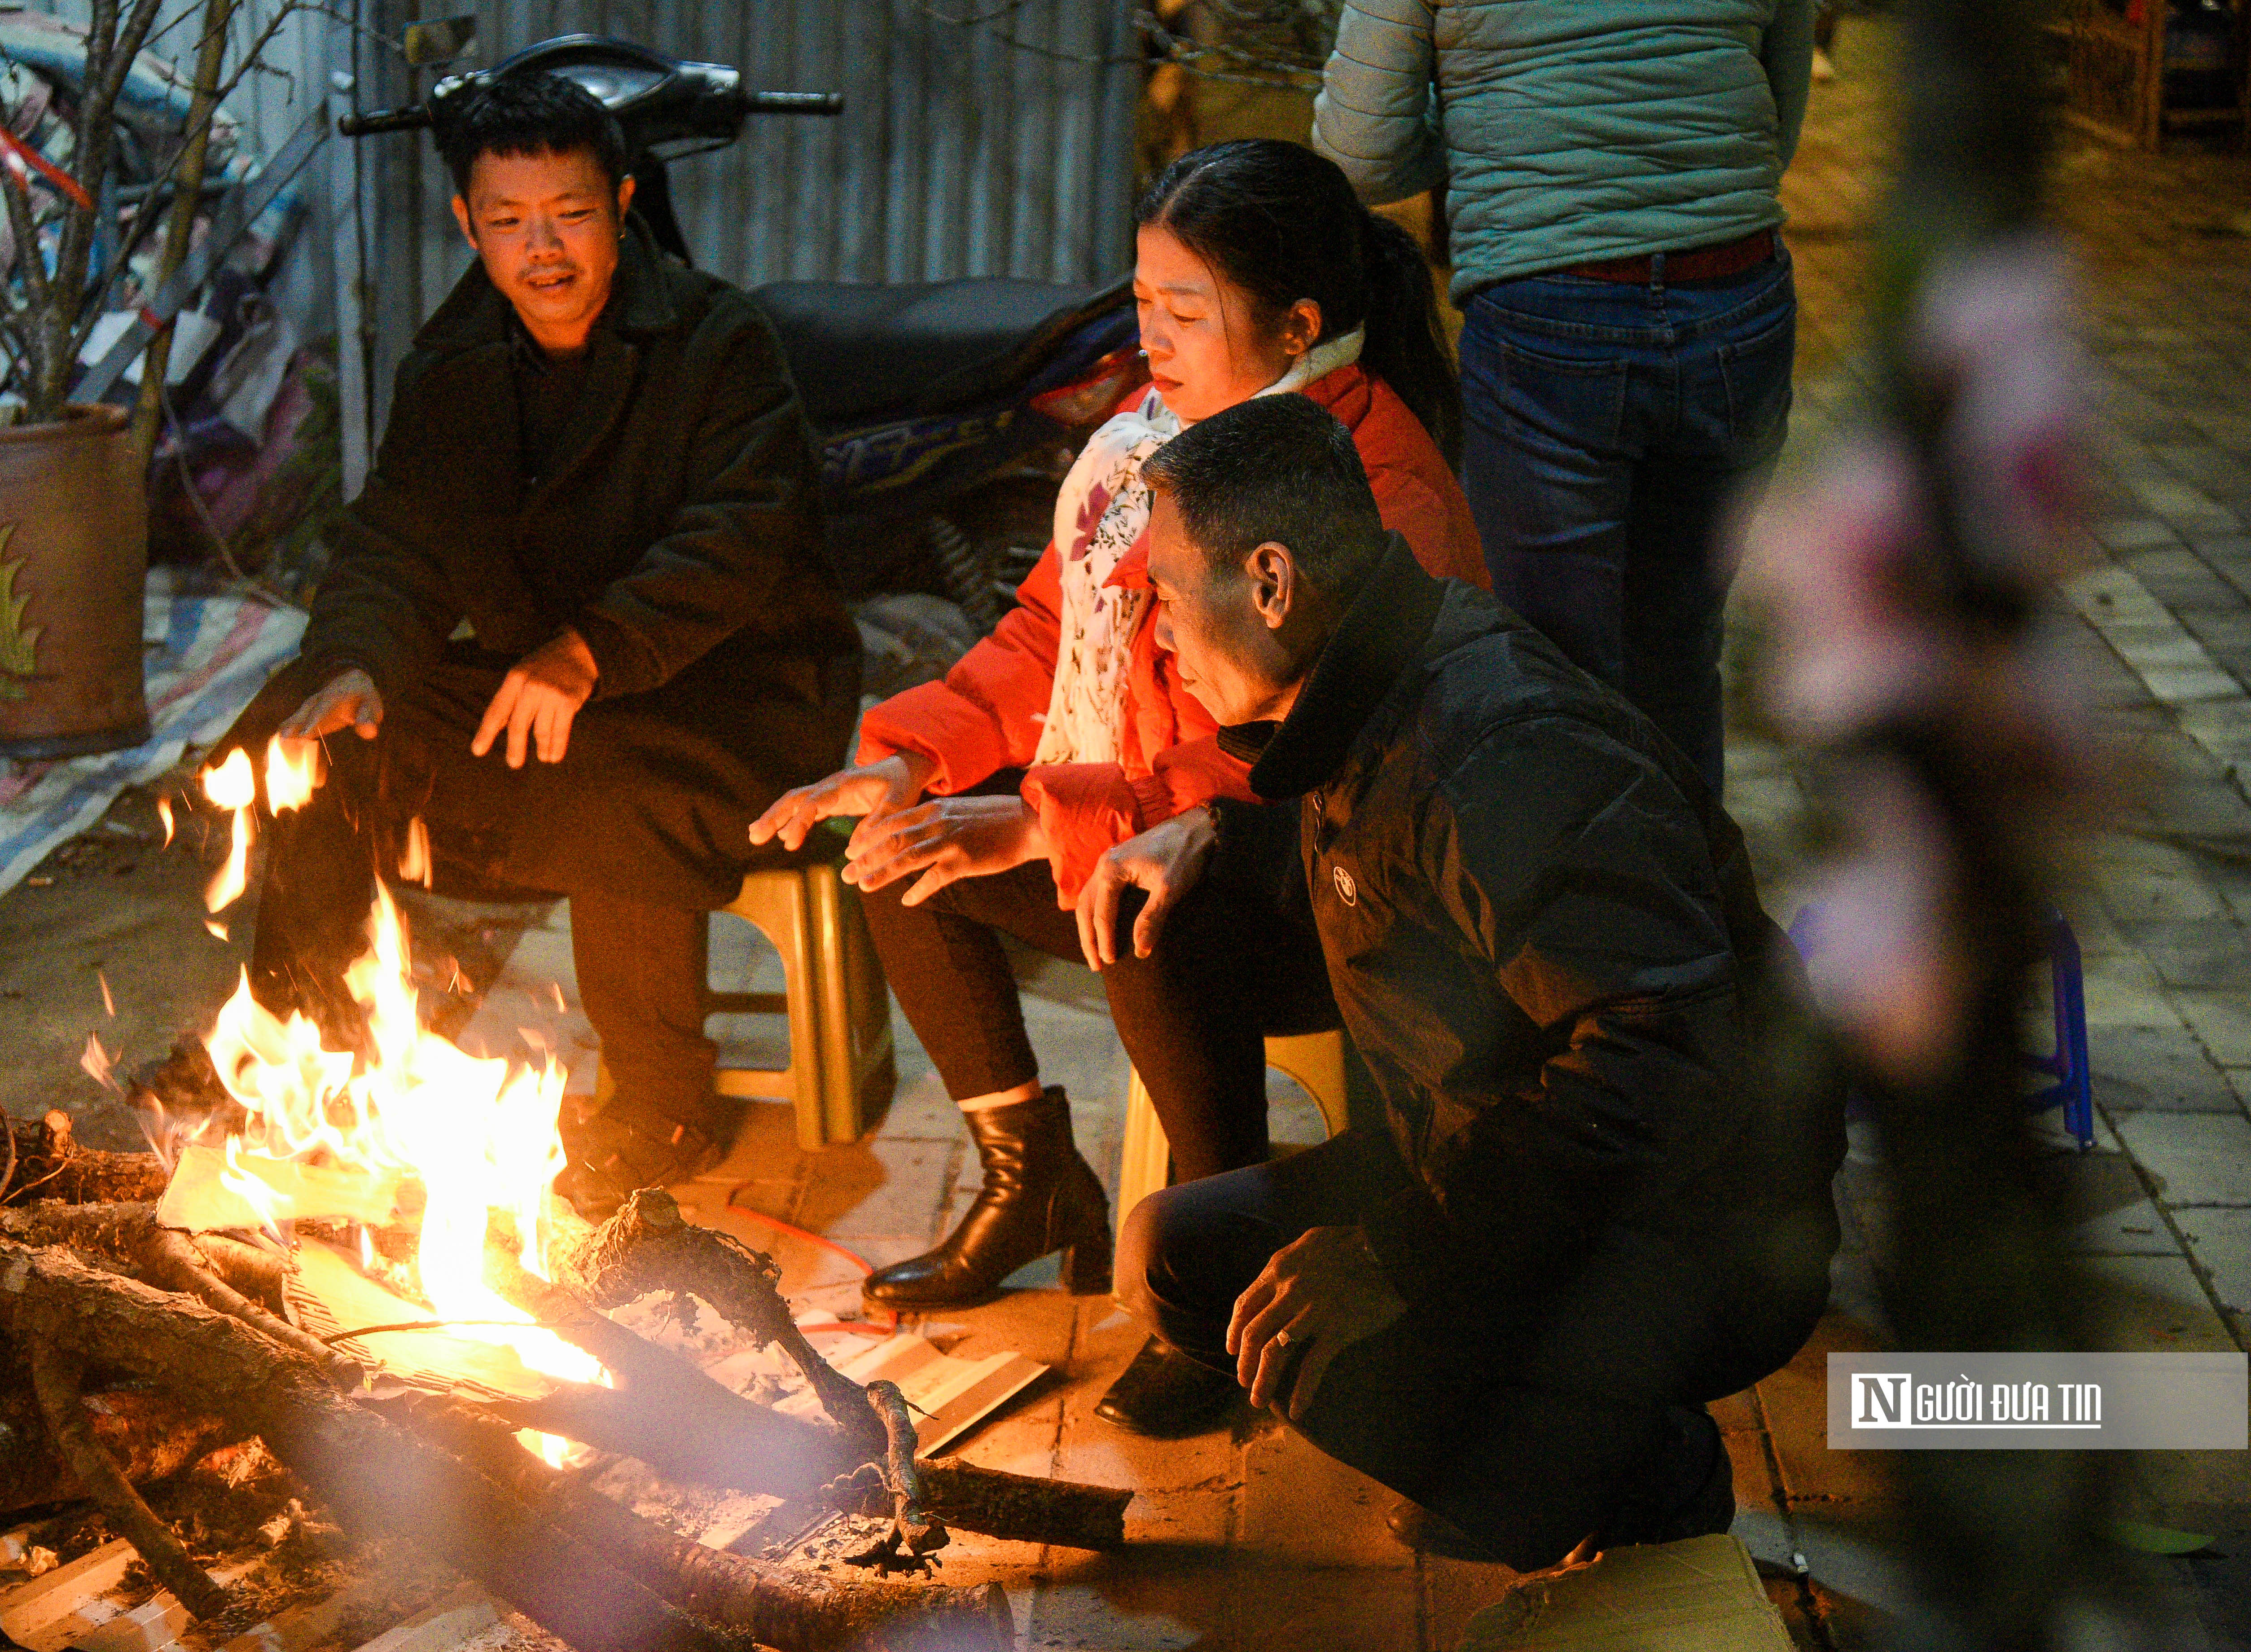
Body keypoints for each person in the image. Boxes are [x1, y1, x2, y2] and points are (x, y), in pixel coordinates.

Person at [750, 138, 1488, 1436]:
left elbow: (1317, 749)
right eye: (1142, 302)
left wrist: (1052, 817)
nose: (1150, 338)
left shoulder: (1372, 483)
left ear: (1298, 325)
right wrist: (907, 756)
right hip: (1165, 825)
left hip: (1343, 894)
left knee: (1138, 898)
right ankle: (1027, 1179)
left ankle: (1221, 1286)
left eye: (1185, 312)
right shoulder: (1152, 443)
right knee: (904, 846)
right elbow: (1046, 634)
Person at [1088, 394, 1843, 1568]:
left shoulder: (1497, 746)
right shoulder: (1373, 698)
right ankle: (1540, 1450)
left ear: (1272, 584)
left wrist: (1397, 1251)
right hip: (1497, 1156)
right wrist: (1219, 844)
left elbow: (1662, 1054)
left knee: (1314, 1337)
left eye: (1172, 590)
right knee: (1184, 1256)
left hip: (1699, 1222)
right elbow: (1408, 894)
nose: (1157, 626)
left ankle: (1647, 1476)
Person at [223, 71, 859, 1207]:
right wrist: (358, 663)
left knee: (612, 782)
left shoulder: (720, 341)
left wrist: (593, 650)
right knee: (318, 728)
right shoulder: (456, 364)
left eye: (569, 214)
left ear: (621, 203)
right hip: (550, 689)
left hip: (737, 698)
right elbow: (399, 541)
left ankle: (664, 1101)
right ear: (469, 225)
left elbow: (739, 537)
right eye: (508, 222)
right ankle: (297, 1053)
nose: (542, 250)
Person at [1312, 0, 1815, 795]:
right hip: (1736, 293)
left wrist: (1496, 127)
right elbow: (1778, 108)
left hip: (1549, 313)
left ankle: (1590, 909)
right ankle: (1693, 904)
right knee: (1681, 649)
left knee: (1554, 665)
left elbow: (1360, 152)